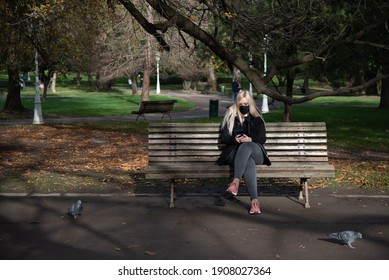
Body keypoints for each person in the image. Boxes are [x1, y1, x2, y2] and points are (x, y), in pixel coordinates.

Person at [217, 90, 271, 215]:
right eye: (241, 103)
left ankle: (235, 182)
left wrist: (250, 139)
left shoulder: (256, 117)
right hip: (235, 153)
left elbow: (262, 138)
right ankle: (255, 203)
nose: (244, 106)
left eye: (246, 103)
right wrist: (234, 139)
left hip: (256, 150)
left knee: (247, 146)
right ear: (237, 103)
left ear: (250, 103)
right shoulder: (231, 116)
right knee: (249, 162)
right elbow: (224, 138)